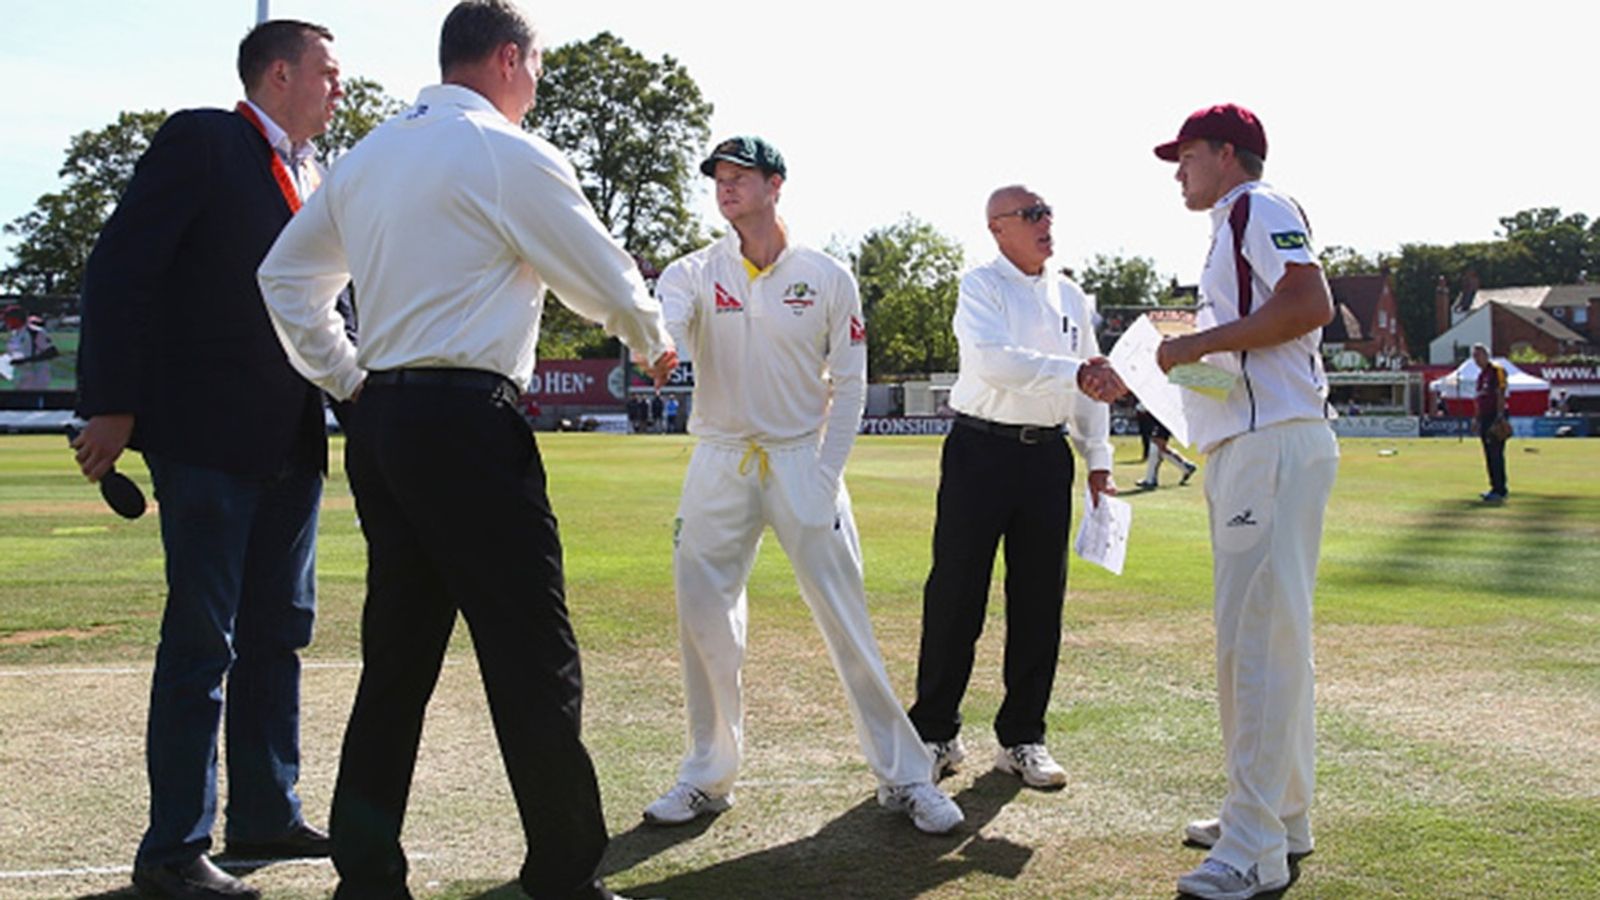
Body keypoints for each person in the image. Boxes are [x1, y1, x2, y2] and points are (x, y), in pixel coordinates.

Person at [256, 3, 675, 898]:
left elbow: (285, 276)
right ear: (508, 59)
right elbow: (598, 269)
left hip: (385, 424)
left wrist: (346, 377)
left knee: (397, 660)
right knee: (533, 654)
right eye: (535, 68)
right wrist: (650, 336)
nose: (535, 85)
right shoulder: (501, 149)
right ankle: (563, 872)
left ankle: (366, 875)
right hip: (469, 427)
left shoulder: (367, 154)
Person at [71, 20, 343, 900]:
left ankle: (266, 811)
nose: (339, 89)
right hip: (206, 440)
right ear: (278, 73)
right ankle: (174, 850)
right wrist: (110, 402)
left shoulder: (320, 175)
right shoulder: (203, 140)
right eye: (328, 73)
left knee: (279, 635)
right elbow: (121, 269)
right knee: (202, 643)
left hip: (292, 440)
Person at [643, 135, 963, 835]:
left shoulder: (826, 275)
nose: (725, 186)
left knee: (848, 623)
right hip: (721, 458)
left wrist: (825, 473)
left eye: (740, 175)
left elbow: (849, 385)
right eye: (718, 178)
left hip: (799, 457)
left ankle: (907, 776)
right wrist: (657, 346)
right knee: (702, 616)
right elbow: (666, 324)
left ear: (776, 184)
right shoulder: (694, 271)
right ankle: (706, 775)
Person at [1140, 103, 1339, 900]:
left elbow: (1310, 304)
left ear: (1229, 153)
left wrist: (1194, 344)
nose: (1177, 170)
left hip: (1274, 448)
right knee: (1265, 640)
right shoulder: (1227, 225)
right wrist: (1161, 364)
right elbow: (1242, 360)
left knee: (1256, 645)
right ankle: (1278, 818)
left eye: (1186, 155)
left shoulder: (1260, 205)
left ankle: (1253, 846)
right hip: (1250, 447)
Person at [906, 185, 1122, 791]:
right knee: (956, 594)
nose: (1045, 221)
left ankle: (1023, 737)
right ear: (997, 228)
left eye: (1048, 211)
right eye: (1031, 215)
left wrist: (1098, 455)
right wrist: (1076, 371)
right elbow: (997, 362)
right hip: (981, 450)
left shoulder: (1071, 294)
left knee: (1038, 602)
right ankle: (934, 733)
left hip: (1047, 456)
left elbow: (1094, 379)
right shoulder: (981, 286)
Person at [1472, 343, 1509, 501]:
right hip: (1485, 418)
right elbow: (1480, 399)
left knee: (1496, 453)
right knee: (1488, 454)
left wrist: (1500, 416)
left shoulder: (1496, 371)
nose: (1476, 359)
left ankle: (1500, 489)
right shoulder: (1481, 376)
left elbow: (1501, 392)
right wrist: (1476, 418)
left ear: (1486, 355)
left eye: (1479, 355)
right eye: (1474, 356)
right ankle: (1494, 487)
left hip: (1495, 416)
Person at [1135, 414, 1198, 489]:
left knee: (1157, 444)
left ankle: (1151, 480)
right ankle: (1186, 466)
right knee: (1157, 446)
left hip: (1163, 417)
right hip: (1159, 417)